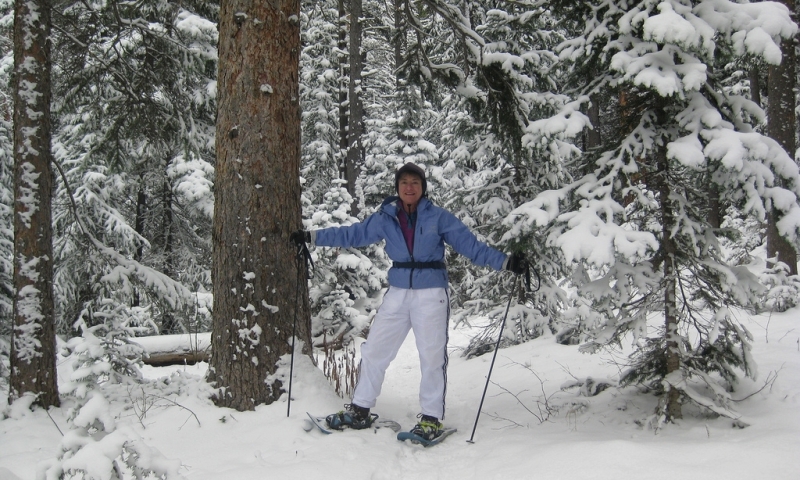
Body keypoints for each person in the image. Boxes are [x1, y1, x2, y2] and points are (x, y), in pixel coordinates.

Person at [291, 162, 527, 440]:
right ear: (398, 188)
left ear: (423, 187)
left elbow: (470, 246)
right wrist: (311, 236)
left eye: (415, 182)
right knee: (375, 351)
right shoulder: (385, 217)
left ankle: (431, 419)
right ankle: (359, 410)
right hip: (398, 292)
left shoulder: (438, 217)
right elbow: (352, 233)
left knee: (431, 357)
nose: (409, 187)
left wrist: (506, 262)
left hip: (431, 294)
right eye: (404, 183)